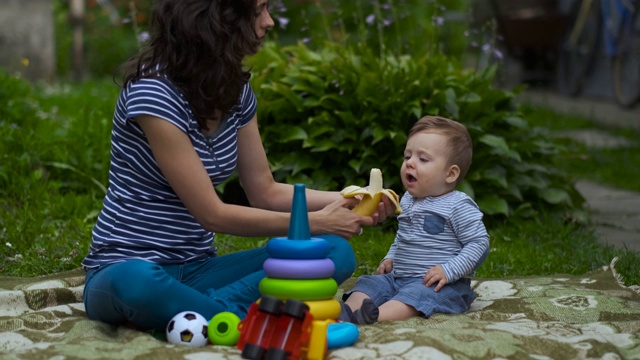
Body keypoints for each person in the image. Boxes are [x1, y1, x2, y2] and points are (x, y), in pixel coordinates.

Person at [82, 0, 395, 332]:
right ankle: (236, 315)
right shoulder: (154, 94)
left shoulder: (235, 90)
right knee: (137, 282)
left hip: (200, 271)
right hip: (123, 269)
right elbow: (212, 214)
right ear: (218, 17)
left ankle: (215, 316)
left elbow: (266, 192)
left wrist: (352, 197)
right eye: (259, 9)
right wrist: (316, 222)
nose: (269, 21)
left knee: (334, 251)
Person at [339, 115, 490, 324]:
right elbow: (404, 237)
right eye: (407, 156)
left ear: (451, 173)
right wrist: (390, 257)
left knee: (417, 296)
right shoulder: (409, 200)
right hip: (399, 277)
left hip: (439, 284)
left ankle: (375, 316)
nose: (410, 163)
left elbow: (479, 243)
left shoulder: (458, 205)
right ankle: (347, 312)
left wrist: (449, 271)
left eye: (423, 159)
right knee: (371, 283)